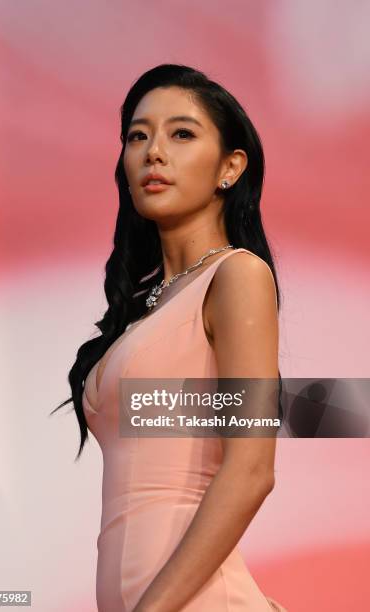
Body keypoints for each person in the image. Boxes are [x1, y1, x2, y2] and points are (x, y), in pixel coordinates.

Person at [53, 64, 287, 611]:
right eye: (138, 136)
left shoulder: (238, 276)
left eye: (181, 133)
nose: (153, 152)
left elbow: (252, 470)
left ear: (230, 167)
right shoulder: (147, 308)